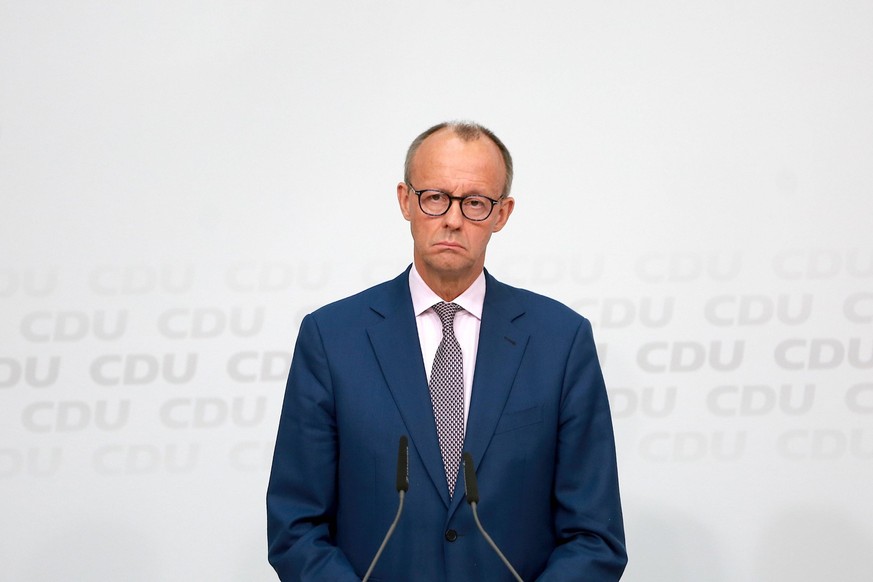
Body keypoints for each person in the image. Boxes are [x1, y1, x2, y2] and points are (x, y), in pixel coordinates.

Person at [267, 121, 627, 581]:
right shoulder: (332, 338)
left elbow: (595, 536)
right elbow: (296, 525)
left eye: (475, 202)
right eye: (435, 197)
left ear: (503, 214)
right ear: (405, 201)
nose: (453, 219)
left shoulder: (560, 340)